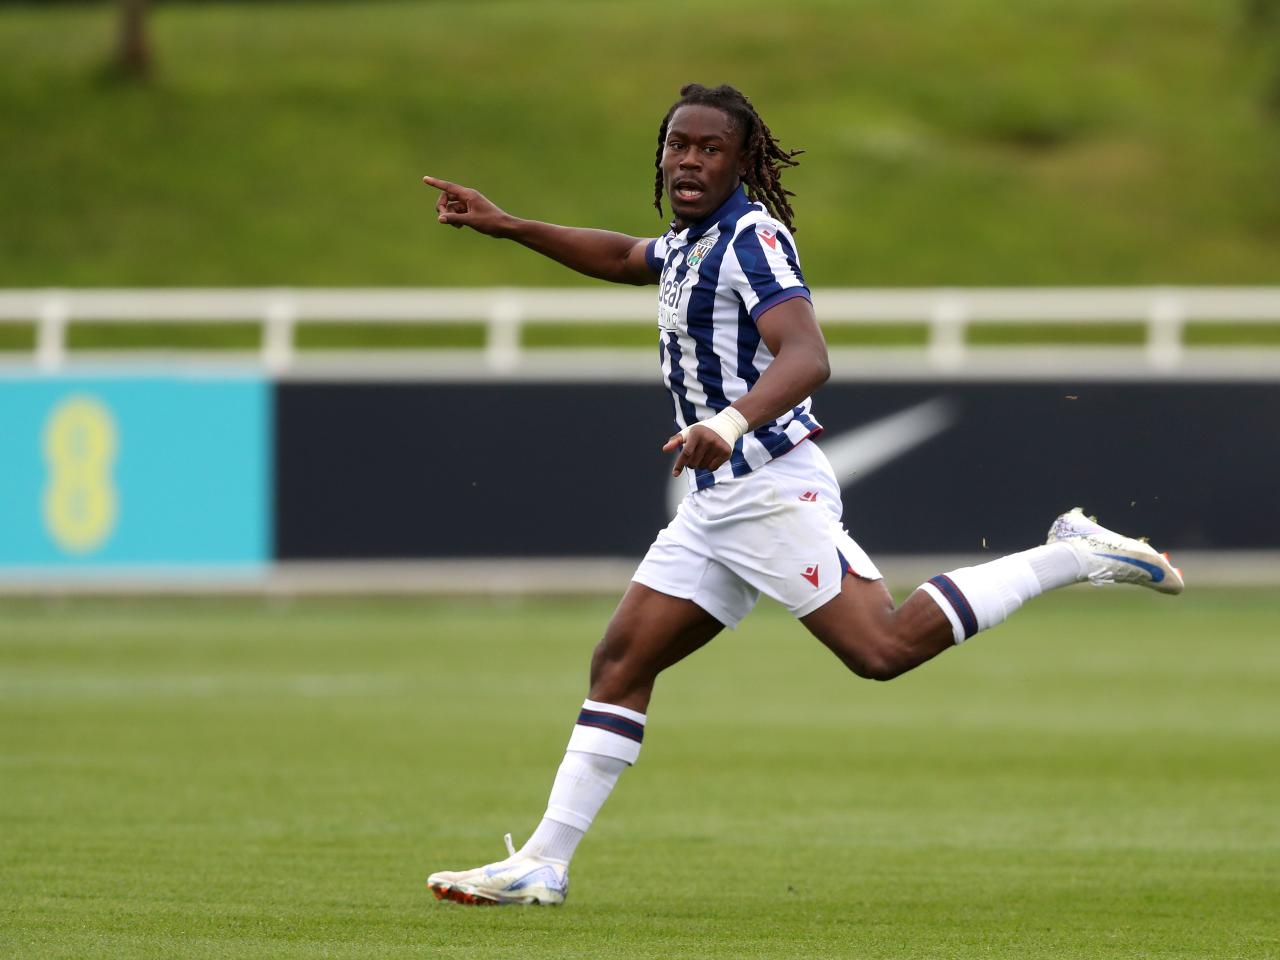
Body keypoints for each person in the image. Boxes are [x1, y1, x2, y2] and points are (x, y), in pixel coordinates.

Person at [421, 83, 1183, 907]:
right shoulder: (688, 244)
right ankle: (543, 863)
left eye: (710, 147)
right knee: (619, 663)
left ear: (743, 160)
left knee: (881, 649)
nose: (689, 159)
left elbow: (808, 354)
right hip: (717, 501)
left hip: (766, 486)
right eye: (678, 144)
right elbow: (620, 257)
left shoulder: (752, 238)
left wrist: (734, 420)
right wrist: (507, 225)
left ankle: (1073, 551)